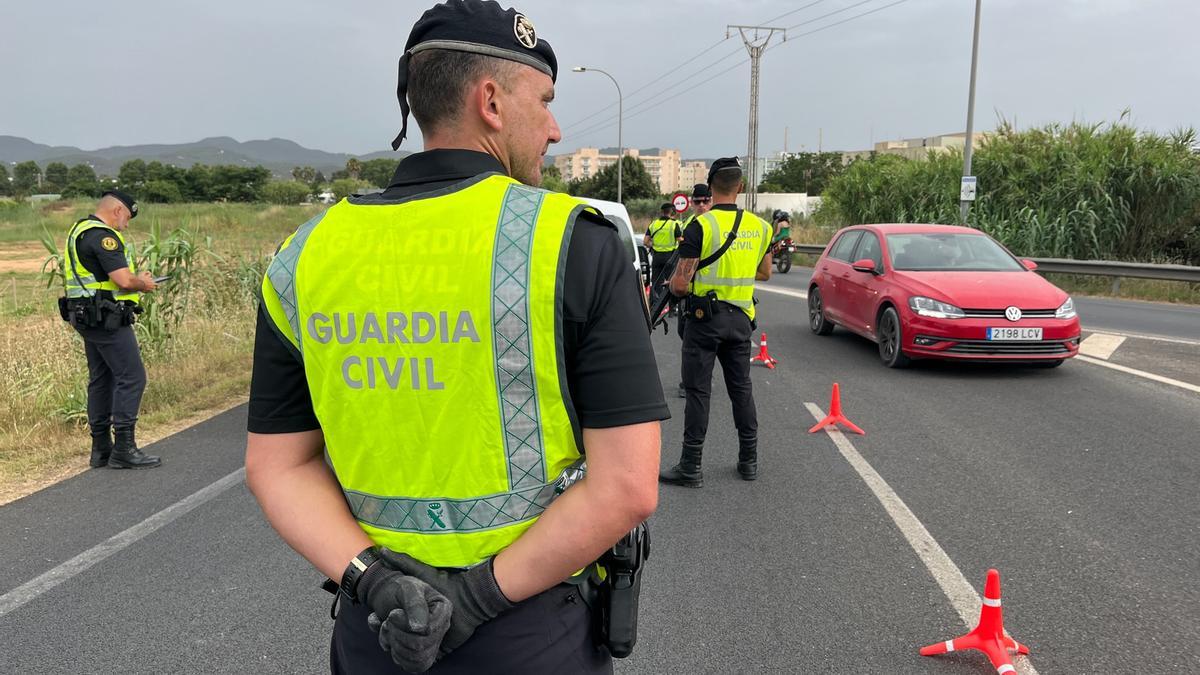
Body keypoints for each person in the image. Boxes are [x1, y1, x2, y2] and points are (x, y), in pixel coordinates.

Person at [244, 2, 666, 673]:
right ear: (490, 101)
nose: (555, 128)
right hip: (526, 634)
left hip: (378, 632)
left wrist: (374, 580)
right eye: (546, 101)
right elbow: (627, 487)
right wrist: (474, 597)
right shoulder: (570, 243)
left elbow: (277, 465)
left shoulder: (305, 256)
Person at [660, 157, 772, 487]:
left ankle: (691, 465)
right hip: (740, 322)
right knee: (742, 390)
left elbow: (681, 284)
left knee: (698, 392)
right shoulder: (761, 227)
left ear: (710, 187)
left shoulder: (700, 226)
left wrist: (683, 285)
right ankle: (748, 460)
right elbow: (765, 273)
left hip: (703, 322)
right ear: (741, 187)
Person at [60, 190, 161, 469]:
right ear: (117, 210)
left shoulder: (79, 230)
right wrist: (144, 283)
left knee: (102, 379)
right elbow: (123, 281)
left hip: (87, 317)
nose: (126, 224)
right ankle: (124, 449)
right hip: (106, 319)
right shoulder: (103, 237)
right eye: (127, 217)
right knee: (132, 377)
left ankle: (101, 448)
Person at [671, 183, 712, 398]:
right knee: (683, 332)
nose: (702, 206)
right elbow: (682, 258)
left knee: (694, 339)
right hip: (689, 291)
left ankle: (694, 380)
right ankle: (699, 376)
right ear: (691, 203)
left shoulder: (715, 225)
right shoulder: (689, 224)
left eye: (706, 201)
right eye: (698, 202)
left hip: (709, 294)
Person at [643, 203, 681, 312]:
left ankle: (654, 306)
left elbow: (646, 242)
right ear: (672, 212)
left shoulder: (653, 224)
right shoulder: (674, 225)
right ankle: (672, 308)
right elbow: (680, 240)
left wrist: (654, 246)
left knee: (655, 282)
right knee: (670, 282)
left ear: (661, 211)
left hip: (657, 257)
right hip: (670, 258)